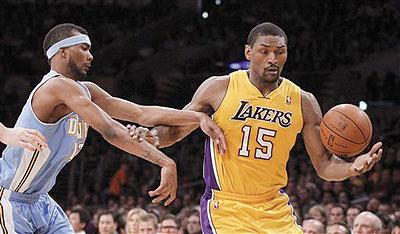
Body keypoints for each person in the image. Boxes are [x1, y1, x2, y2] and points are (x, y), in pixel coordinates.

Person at [142, 22, 383, 233]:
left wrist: (352, 167)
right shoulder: (219, 88)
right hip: (227, 207)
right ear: (248, 52)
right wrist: (151, 136)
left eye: (279, 52)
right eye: (264, 51)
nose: (272, 59)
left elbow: (324, 165)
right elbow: (174, 130)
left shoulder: (303, 101)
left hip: (273, 207)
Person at [0, 23, 226, 233]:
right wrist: (165, 161)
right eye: (84, 48)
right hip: (10, 198)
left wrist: (196, 117)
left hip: (41, 200)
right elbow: (110, 130)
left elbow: (141, 113)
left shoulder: (86, 90)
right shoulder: (56, 87)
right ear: (62, 52)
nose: (91, 56)